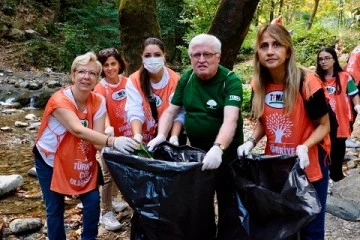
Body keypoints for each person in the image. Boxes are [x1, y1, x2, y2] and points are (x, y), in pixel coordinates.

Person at [236, 23, 331, 239]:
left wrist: (304, 147)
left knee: (311, 228)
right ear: (257, 52)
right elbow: (263, 121)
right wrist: (250, 141)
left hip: (308, 165)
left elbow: (324, 126)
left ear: (288, 50)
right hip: (277, 165)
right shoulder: (258, 84)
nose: (270, 51)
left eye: (277, 45)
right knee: (282, 226)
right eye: (264, 46)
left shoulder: (307, 82)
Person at [147, 33, 244, 239]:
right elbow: (171, 111)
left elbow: (230, 120)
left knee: (229, 204)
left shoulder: (230, 80)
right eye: (196, 55)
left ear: (218, 56)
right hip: (197, 157)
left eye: (207, 54)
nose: (201, 59)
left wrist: (218, 148)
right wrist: (161, 135)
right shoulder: (187, 78)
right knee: (200, 204)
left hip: (227, 157)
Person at [33, 52, 138, 240]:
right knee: (55, 208)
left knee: (91, 203)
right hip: (51, 160)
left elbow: (96, 140)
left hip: (81, 160)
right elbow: (77, 130)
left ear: (98, 78)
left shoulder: (98, 100)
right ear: (73, 75)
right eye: (82, 72)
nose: (86, 77)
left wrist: (118, 151)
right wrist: (113, 141)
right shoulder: (59, 100)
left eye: (92, 74)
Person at [94, 48, 131, 231]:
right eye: (106, 65)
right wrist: (108, 130)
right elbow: (103, 111)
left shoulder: (128, 82)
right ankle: (105, 212)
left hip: (128, 134)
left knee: (122, 170)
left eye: (113, 64)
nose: (110, 68)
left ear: (119, 64)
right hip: (108, 136)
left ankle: (115, 200)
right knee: (108, 175)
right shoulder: (101, 87)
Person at [125, 37, 185, 145]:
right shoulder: (134, 80)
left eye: (157, 55)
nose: (152, 59)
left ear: (164, 56)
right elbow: (134, 110)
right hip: (144, 136)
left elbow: (178, 111)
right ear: (142, 58)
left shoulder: (175, 80)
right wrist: (137, 136)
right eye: (147, 56)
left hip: (168, 135)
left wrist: (174, 137)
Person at [316, 47, 360, 181]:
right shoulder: (316, 78)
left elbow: (354, 94)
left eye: (327, 58)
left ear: (334, 59)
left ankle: (337, 180)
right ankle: (321, 180)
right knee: (321, 155)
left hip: (340, 123)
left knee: (337, 154)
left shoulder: (345, 77)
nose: (323, 62)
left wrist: (357, 106)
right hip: (321, 123)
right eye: (321, 59)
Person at [344, 44, 360, 147]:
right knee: (350, 109)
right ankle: (345, 137)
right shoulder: (357, 51)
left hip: (354, 80)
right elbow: (351, 68)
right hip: (354, 81)